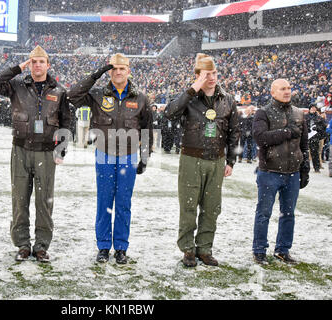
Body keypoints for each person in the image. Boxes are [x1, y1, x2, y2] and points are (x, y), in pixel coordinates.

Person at [0, 46, 71, 263]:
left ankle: (41, 245)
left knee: (44, 201)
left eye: (41, 61)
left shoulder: (59, 91)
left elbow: (66, 122)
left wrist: (61, 149)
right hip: (21, 149)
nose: (37, 65)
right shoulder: (16, 85)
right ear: (28, 64)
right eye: (33, 61)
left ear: (48, 64)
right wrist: (17, 68)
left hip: (46, 152)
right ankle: (22, 244)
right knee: (19, 199)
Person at [68, 53, 153, 264]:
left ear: (128, 71)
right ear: (109, 71)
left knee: (124, 203)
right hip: (104, 154)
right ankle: (104, 246)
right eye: (113, 69)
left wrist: (144, 157)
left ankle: (121, 248)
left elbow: (147, 130)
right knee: (104, 201)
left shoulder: (141, 99)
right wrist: (96, 74)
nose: (117, 72)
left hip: (129, 156)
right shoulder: (97, 94)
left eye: (121, 69)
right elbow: (73, 95)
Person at [164, 53, 239, 267]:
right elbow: (169, 113)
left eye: (214, 73)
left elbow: (234, 132)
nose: (212, 77)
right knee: (188, 205)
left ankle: (205, 248)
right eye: (206, 74)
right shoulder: (189, 98)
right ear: (197, 75)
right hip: (191, 157)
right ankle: (187, 249)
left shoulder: (227, 100)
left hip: (216, 160)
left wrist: (231, 161)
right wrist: (193, 88)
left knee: (212, 207)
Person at [252, 79, 309, 265]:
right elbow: (260, 138)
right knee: (264, 213)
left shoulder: (299, 113)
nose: (287, 91)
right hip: (269, 171)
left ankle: (283, 250)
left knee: (288, 214)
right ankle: (259, 250)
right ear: (273, 92)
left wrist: (305, 168)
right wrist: (286, 132)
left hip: (293, 172)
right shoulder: (263, 112)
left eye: (289, 88)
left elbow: (304, 144)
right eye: (282, 89)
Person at [305, 104, 327, 173]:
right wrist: (306, 129)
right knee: (304, 153)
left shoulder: (319, 117)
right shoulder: (304, 117)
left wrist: (318, 128)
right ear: (309, 109)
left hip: (315, 137)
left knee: (315, 153)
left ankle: (316, 168)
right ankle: (304, 167)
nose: (313, 109)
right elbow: (300, 125)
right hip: (305, 137)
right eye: (312, 108)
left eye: (314, 108)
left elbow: (324, 127)